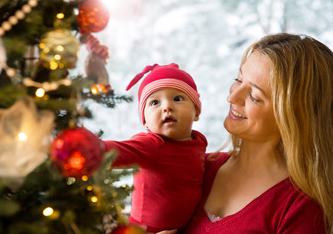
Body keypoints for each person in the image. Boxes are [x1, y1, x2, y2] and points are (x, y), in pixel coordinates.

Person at [159, 33, 333, 234]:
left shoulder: (301, 207)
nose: (232, 97)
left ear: (294, 115)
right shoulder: (198, 168)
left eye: (254, 97)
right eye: (238, 80)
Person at [103, 63, 208, 233]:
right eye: (154, 102)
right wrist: (88, 148)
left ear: (196, 111)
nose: (167, 107)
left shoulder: (198, 141)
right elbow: (118, 150)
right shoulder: (152, 144)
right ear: (145, 121)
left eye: (177, 99)